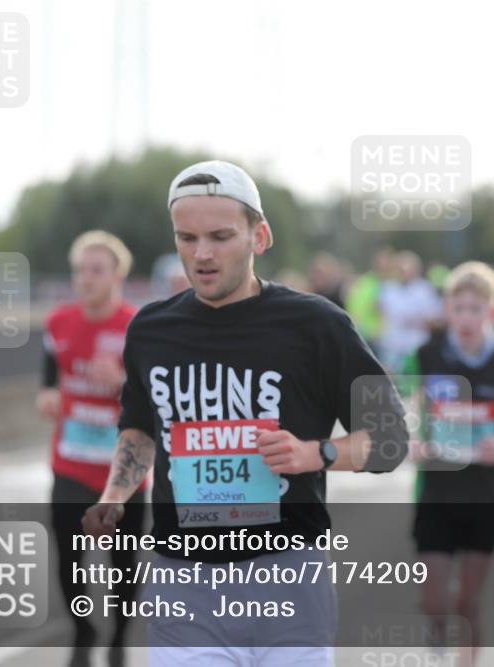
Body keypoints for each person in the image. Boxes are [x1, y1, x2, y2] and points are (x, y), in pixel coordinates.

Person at [80, 160, 408, 666]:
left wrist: (314, 453)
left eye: (220, 236)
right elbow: (141, 427)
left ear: (260, 236)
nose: (202, 254)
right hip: (183, 580)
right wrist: (115, 495)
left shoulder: (315, 325)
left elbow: (390, 439)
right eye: (186, 238)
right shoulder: (150, 329)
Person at [403, 261, 494, 663]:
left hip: (484, 491)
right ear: (447, 310)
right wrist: (412, 438)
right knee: (434, 602)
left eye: (476, 309)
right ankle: (436, 633)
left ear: (492, 311)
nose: (466, 318)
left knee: (468, 601)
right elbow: (397, 404)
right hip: (436, 488)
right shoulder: (427, 355)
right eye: (459, 308)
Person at [37, 230, 148, 667]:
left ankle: (119, 637)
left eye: (96, 270)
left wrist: (122, 383)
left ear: (117, 274)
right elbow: (48, 382)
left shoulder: (137, 327)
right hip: (70, 463)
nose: (85, 278)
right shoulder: (58, 323)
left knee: (123, 562)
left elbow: (159, 400)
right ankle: (84, 631)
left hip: (125, 467)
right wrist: (47, 396)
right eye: (80, 270)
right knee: (68, 555)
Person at [378, 250, 441, 373]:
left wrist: (417, 321)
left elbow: (433, 319)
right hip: (392, 347)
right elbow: (382, 314)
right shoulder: (387, 288)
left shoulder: (425, 289)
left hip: (417, 347)